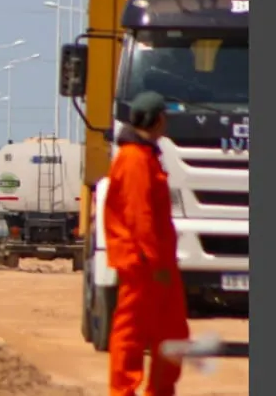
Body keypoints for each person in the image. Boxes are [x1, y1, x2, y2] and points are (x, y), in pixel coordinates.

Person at [105, 91, 189, 396]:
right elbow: (140, 217)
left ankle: (160, 390)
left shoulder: (145, 156)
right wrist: (155, 264)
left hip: (157, 263)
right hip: (142, 264)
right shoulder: (134, 160)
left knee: (174, 334)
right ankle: (123, 390)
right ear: (159, 120)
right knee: (131, 334)